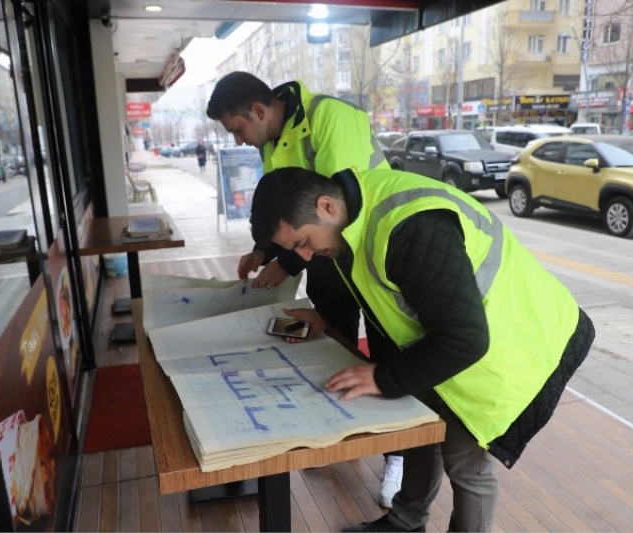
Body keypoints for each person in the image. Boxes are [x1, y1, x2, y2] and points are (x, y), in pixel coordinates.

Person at [248, 166, 595, 532]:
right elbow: (375, 287)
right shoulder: (354, 213)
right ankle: (405, 522)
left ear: (326, 207)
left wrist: (383, 376)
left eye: (303, 242)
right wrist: (324, 317)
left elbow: (465, 339)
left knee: (465, 461)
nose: (304, 255)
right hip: (448, 334)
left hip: (513, 341)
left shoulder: (409, 228)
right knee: (419, 428)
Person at [206, 71, 404, 506]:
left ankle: (397, 456)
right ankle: (338, 427)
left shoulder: (329, 117)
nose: (238, 140)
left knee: (387, 349)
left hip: (365, 250)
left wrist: (287, 261)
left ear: (258, 111)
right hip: (326, 259)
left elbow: (332, 211)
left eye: (238, 129)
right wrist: (263, 251)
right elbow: (284, 208)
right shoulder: (271, 142)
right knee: (333, 339)